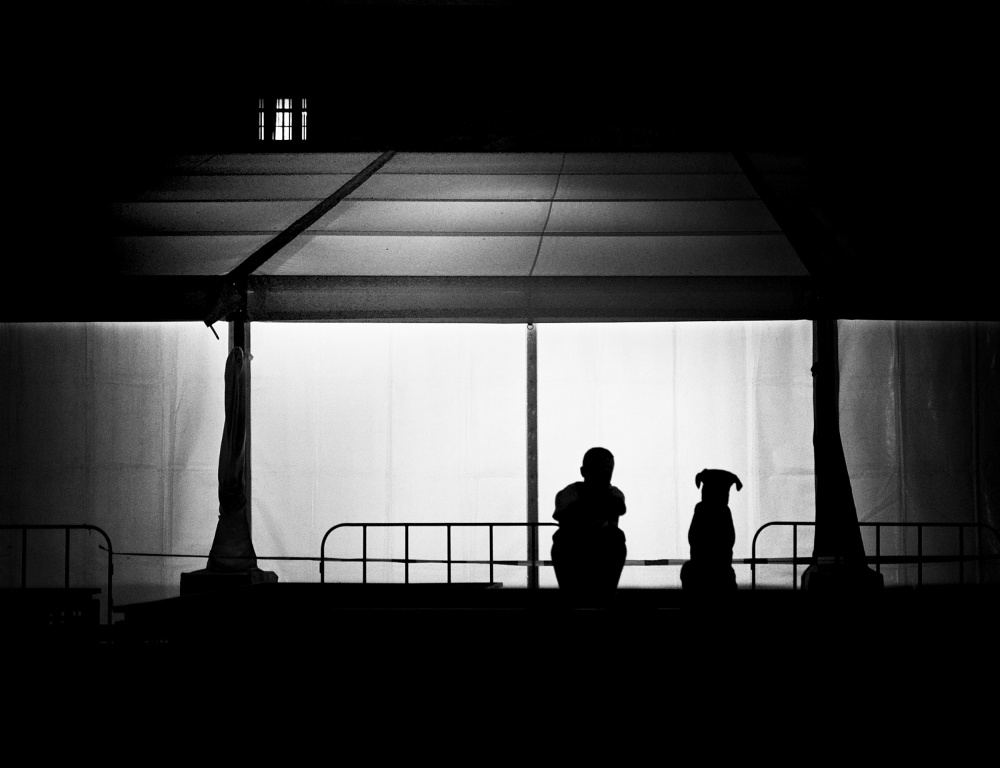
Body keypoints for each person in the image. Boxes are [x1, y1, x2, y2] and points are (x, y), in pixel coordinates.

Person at [550, 447, 627, 592]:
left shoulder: (570, 494)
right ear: (584, 471)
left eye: (607, 471)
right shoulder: (571, 493)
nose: (604, 476)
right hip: (580, 549)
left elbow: (618, 506)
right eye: (599, 471)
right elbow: (564, 516)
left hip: (580, 550)